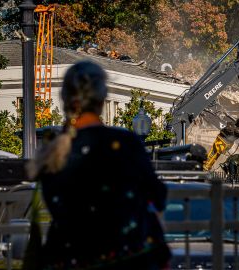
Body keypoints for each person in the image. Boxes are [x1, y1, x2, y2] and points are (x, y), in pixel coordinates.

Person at [27, 61, 170, 269]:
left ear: (65, 98)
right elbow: (157, 196)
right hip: (125, 257)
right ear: (102, 98)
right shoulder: (124, 143)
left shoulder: (50, 153)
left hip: (67, 258)